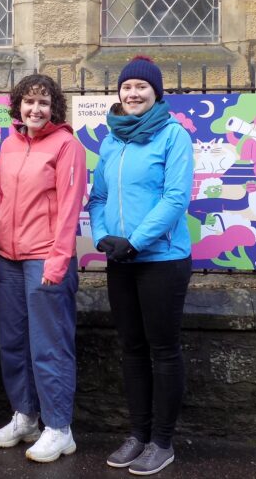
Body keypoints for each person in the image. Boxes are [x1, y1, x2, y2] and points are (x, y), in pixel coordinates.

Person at [87, 55, 194, 476]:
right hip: (121, 260)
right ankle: (138, 433)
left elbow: (174, 198)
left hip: (162, 261)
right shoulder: (112, 139)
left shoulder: (173, 136)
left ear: (156, 93)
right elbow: (97, 198)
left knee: (163, 350)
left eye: (141, 87)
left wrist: (135, 240)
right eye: (126, 87)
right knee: (131, 350)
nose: (132, 94)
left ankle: (162, 441)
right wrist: (102, 239)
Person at [0, 73, 87, 463]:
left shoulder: (66, 146)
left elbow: (69, 209)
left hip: (45, 257)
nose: (35, 108)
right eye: (28, 102)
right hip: (10, 259)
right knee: (13, 342)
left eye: (43, 102)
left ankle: (59, 428)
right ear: (18, 106)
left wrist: (58, 261)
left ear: (54, 108)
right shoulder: (9, 144)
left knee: (50, 345)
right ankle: (26, 416)